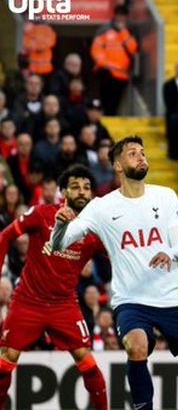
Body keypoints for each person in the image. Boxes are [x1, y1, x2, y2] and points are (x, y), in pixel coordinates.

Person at [50, 136, 178, 410]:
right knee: (136, 346)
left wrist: (171, 253)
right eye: (132, 153)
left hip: (171, 300)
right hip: (131, 301)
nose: (141, 157)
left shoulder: (165, 196)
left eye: (143, 152)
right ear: (117, 165)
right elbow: (58, 245)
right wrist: (59, 225)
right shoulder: (101, 207)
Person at [0, 165, 107, 409]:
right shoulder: (41, 213)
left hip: (64, 305)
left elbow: (119, 257)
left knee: (88, 363)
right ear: (62, 191)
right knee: (5, 363)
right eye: (75, 186)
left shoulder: (94, 231)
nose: (81, 192)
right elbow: (5, 236)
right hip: (28, 301)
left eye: (86, 187)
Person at [90, 5, 139, 116]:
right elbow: (96, 49)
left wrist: (123, 32)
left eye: (123, 16)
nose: (121, 18)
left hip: (122, 73)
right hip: (106, 71)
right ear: (115, 15)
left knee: (115, 100)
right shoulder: (104, 30)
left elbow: (133, 49)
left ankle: (111, 117)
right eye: (119, 15)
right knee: (106, 98)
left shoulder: (129, 31)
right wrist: (105, 64)